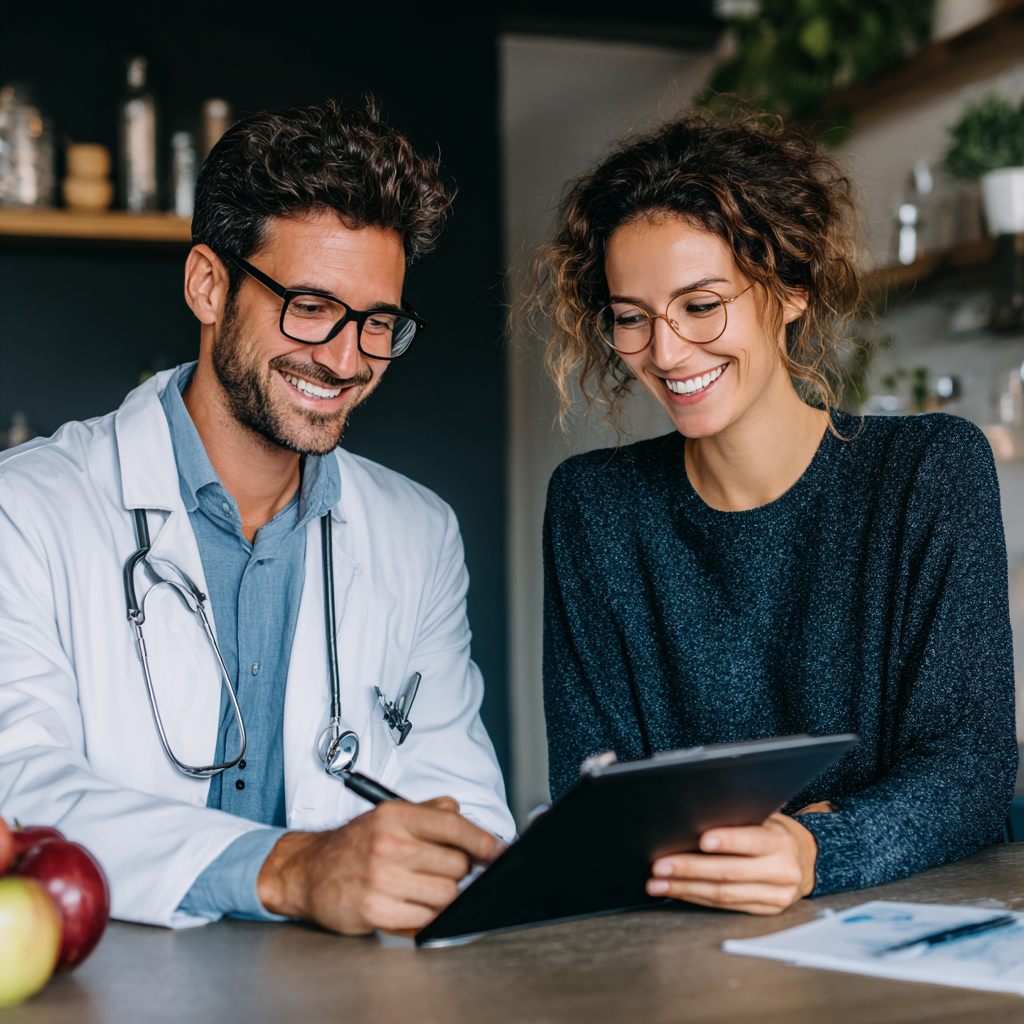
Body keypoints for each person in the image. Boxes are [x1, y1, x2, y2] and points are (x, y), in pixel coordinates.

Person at [0, 100, 514, 934]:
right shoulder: (23, 509)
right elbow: (18, 787)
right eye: (310, 305)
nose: (346, 360)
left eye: (377, 323)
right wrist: (290, 868)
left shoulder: (419, 534)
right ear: (209, 284)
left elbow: (465, 810)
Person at [535, 112, 1018, 916]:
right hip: (682, 945)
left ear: (791, 288)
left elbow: (969, 770)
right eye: (631, 317)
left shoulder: (929, 470)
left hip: (907, 933)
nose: (666, 351)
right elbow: (595, 791)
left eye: (701, 304)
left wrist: (813, 850)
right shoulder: (593, 506)